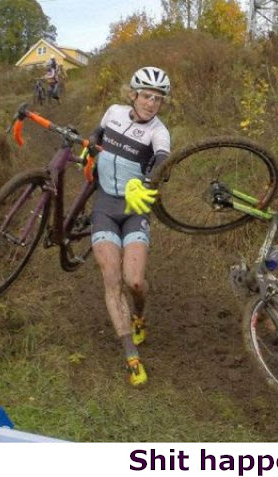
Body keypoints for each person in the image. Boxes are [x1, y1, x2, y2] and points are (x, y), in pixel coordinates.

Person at [85, 66, 171, 387]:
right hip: (105, 206)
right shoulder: (114, 112)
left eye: (158, 99)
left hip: (135, 209)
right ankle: (131, 357)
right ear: (133, 95)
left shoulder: (159, 132)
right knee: (111, 278)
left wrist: (148, 181)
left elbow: (162, 161)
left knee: (134, 281)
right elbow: (98, 133)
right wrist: (91, 144)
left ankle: (139, 315)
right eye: (147, 96)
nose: (151, 103)